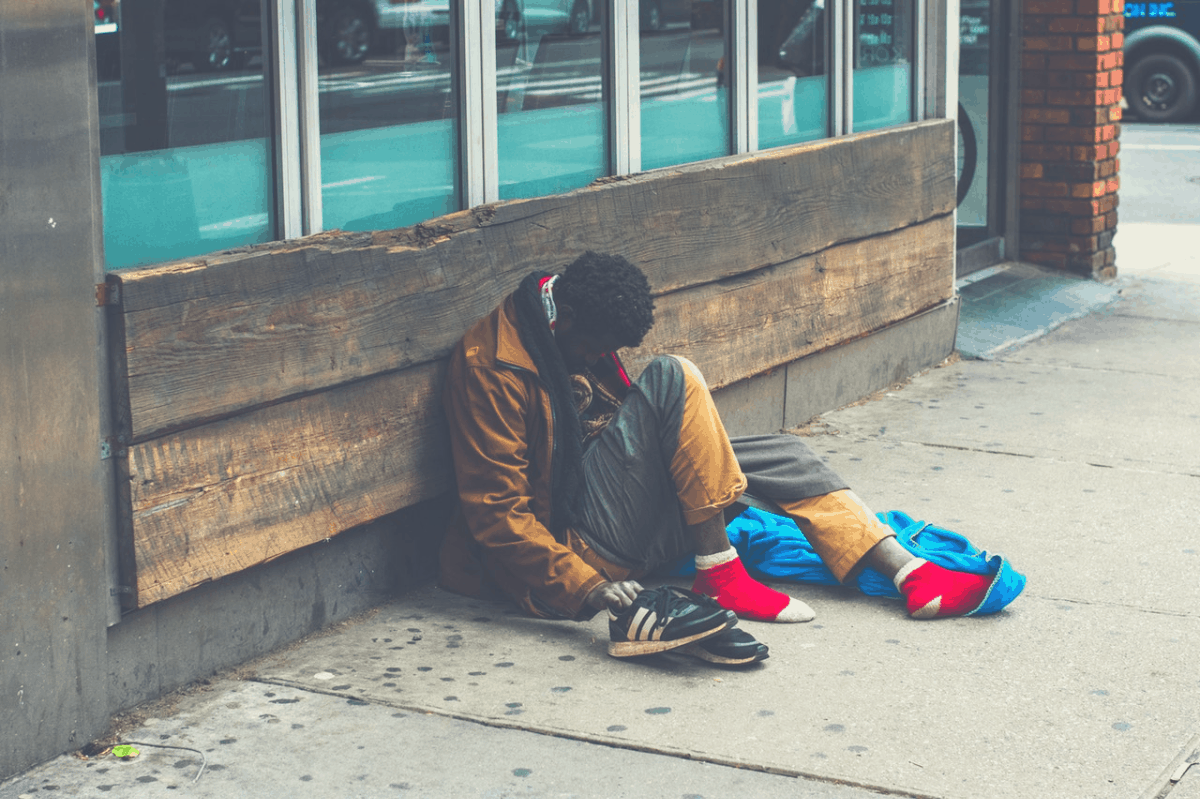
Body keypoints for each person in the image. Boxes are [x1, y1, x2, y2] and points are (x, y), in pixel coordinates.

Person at [439, 252, 996, 664]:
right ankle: (720, 571)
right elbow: (497, 511)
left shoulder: (566, 318)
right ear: (564, 321)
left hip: (611, 510)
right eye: (591, 349)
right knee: (672, 375)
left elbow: (602, 433)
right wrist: (588, 587)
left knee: (778, 453)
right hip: (574, 551)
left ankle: (908, 572)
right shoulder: (492, 367)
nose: (596, 359)